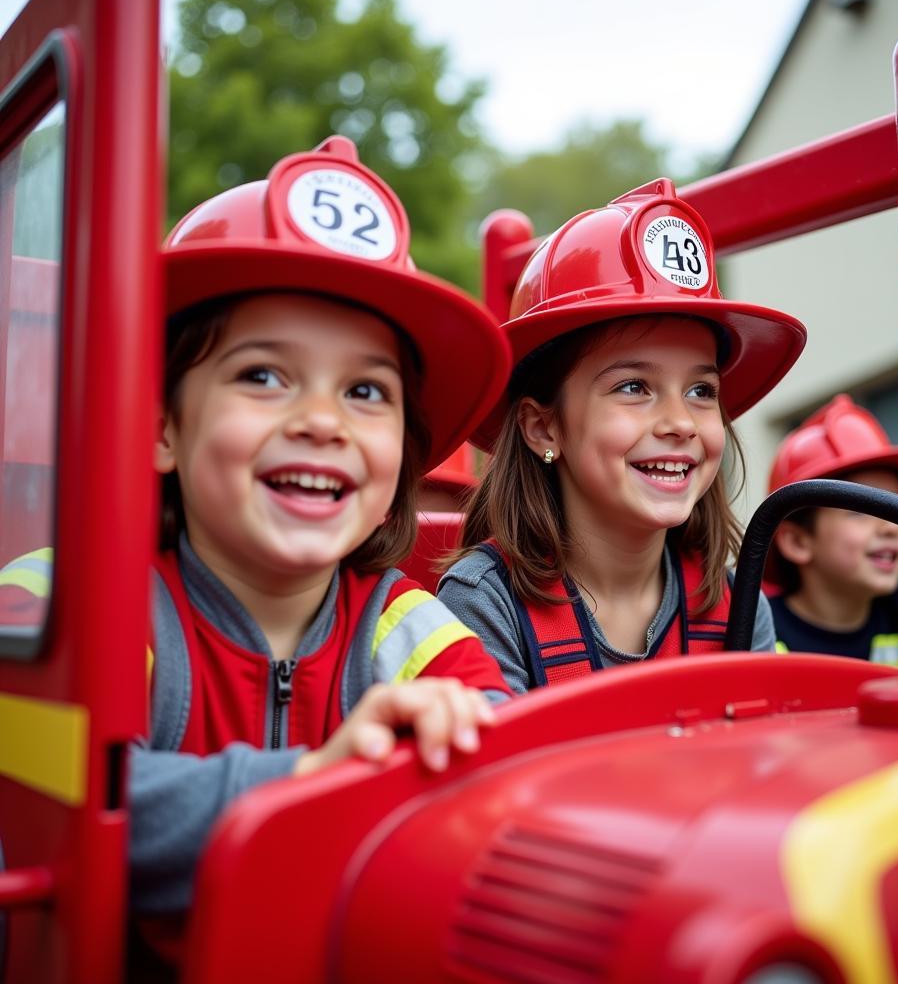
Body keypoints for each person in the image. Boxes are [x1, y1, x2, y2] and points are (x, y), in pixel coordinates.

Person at [119, 135, 514, 960]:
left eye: (365, 391)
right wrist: (311, 787)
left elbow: (508, 780)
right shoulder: (82, 600)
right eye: (263, 376)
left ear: (402, 451)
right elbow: (47, 799)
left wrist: (461, 748)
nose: (323, 421)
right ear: (162, 426)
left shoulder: (409, 628)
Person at [437, 180, 807, 692]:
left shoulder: (734, 604)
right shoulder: (485, 603)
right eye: (634, 387)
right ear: (543, 426)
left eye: (701, 390)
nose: (680, 421)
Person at [765, 394, 898, 665]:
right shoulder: (761, 633)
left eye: (896, 507)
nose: (891, 528)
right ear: (797, 543)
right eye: (861, 511)